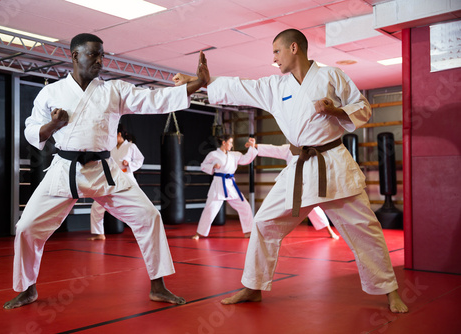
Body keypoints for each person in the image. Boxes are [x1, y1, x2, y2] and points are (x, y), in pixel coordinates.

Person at [173, 29, 408, 313]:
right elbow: (241, 87)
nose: (274, 59)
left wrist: (336, 112)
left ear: (293, 48)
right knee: (262, 223)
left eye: (276, 52)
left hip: (332, 164)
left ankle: (390, 292)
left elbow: (363, 107)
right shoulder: (277, 86)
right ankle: (252, 287)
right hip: (298, 169)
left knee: (365, 229)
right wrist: (201, 82)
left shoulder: (332, 76)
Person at [3, 33, 209, 309]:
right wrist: (53, 126)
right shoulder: (51, 93)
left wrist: (196, 85)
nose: (100, 60)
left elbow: (153, 99)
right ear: (75, 56)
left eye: (102, 55)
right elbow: (31, 130)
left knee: (149, 216)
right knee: (27, 227)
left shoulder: (114, 91)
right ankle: (27, 288)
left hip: (104, 170)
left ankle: (158, 286)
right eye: (93, 54)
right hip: (65, 168)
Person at [255, 143, 339, 239]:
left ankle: (330, 231)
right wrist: (257, 146)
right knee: (270, 204)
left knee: (314, 209)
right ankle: (266, 230)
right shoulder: (289, 149)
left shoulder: (312, 148)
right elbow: (274, 149)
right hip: (290, 183)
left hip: (306, 182)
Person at [192, 135, 257, 240]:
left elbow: (246, 159)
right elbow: (203, 165)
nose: (231, 145)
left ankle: (248, 231)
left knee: (244, 206)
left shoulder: (234, 155)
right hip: (218, 184)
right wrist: (212, 166)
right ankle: (199, 233)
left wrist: (252, 147)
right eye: (230, 142)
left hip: (230, 185)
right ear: (223, 143)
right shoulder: (213, 154)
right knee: (210, 209)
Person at [89, 126, 144, 240]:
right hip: (112, 180)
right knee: (97, 206)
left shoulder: (130, 146)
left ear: (119, 134)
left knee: (139, 205)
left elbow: (140, 159)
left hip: (126, 179)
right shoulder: (111, 148)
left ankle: (143, 231)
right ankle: (99, 233)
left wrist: (129, 164)